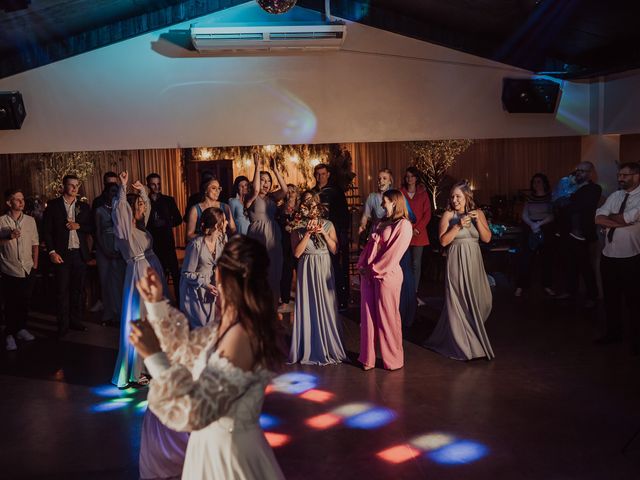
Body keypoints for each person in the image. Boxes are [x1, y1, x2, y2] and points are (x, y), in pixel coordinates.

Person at [129, 236, 286, 479]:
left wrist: (154, 357)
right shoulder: (224, 326)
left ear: (220, 275)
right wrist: (156, 305)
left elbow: (197, 412)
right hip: (206, 450)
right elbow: (185, 352)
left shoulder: (242, 335)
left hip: (229, 458)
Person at [111, 171, 170, 388]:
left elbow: (148, 207)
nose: (143, 209)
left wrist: (142, 191)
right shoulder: (125, 232)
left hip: (151, 271)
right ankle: (134, 372)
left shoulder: (141, 229)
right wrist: (123, 187)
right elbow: (119, 210)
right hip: (137, 274)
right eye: (140, 206)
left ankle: (148, 365)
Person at [424, 180, 494, 361]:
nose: (454, 200)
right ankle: (463, 346)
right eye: (452, 196)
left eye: (458, 196)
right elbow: (443, 241)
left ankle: (472, 334)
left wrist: (478, 221)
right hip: (456, 260)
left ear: (467, 197)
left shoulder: (477, 213)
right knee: (459, 302)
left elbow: (486, 238)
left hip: (474, 262)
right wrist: (458, 226)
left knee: (483, 301)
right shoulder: (448, 215)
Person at [357, 189, 413, 370]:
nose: (381, 206)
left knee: (388, 318)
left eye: (385, 202)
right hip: (370, 275)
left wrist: (373, 269)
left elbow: (393, 254)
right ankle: (368, 359)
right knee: (369, 318)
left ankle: (394, 359)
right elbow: (371, 246)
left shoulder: (404, 225)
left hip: (387, 276)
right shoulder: (383, 222)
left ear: (395, 203)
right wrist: (363, 267)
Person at [289, 190, 346, 365]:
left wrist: (323, 233)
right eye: (306, 204)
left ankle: (328, 346)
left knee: (326, 304)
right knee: (308, 304)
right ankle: (308, 345)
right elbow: (297, 254)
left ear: (318, 206)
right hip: (306, 266)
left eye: (313, 204)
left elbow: (335, 250)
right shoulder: (296, 227)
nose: (310, 207)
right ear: (302, 207)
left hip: (323, 265)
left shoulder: (328, 224)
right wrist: (306, 233)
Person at [594, 162, 640, 354]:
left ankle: (637, 340)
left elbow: (628, 217)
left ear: (637, 175)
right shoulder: (615, 195)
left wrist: (612, 220)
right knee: (611, 297)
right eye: (619, 174)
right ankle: (614, 333)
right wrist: (619, 219)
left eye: (625, 175)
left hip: (632, 256)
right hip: (609, 254)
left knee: (634, 301)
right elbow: (598, 218)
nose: (620, 178)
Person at [42, 174, 93, 336]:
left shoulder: (84, 207)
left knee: (77, 290)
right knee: (62, 291)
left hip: (79, 254)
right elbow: (47, 232)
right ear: (64, 187)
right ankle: (62, 325)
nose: (74, 188)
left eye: (76, 185)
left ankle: (75, 321)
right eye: (71, 185)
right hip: (61, 255)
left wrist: (79, 225)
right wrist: (52, 252)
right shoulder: (53, 205)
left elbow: (91, 227)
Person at [554, 162, 602, 307]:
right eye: (577, 170)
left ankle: (592, 296)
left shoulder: (594, 188)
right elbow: (558, 204)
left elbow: (580, 206)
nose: (578, 173)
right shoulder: (570, 188)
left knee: (584, 264)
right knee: (568, 263)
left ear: (590, 172)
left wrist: (566, 202)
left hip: (581, 233)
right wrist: (565, 201)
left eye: (582, 171)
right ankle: (570, 291)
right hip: (565, 231)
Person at [245, 154, 288, 304]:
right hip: (257, 235)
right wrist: (257, 167)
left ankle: (273, 306)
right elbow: (256, 190)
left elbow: (284, 190)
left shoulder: (272, 198)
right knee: (259, 271)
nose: (266, 183)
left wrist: (275, 170)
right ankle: (257, 306)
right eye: (262, 180)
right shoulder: (251, 196)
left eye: (268, 181)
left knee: (274, 271)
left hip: (273, 235)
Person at [0, 188, 38, 351]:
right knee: (11, 302)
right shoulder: (1, 221)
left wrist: (35, 264)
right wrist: (9, 237)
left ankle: (21, 328)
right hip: (10, 267)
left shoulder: (30, 220)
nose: (21, 202)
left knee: (25, 301)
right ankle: (9, 333)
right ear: (9, 202)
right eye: (17, 199)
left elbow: (35, 242)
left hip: (28, 267)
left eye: (22, 199)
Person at [180, 207, 228, 329]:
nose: (226, 222)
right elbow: (186, 273)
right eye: (224, 221)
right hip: (196, 292)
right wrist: (205, 284)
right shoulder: (196, 245)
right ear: (217, 225)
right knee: (200, 329)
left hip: (213, 290)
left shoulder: (221, 240)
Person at [312, 163, 351, 310]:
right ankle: (322, 299)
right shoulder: (313, 192)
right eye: (317, 174)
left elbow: (343, 214)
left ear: (328, 174)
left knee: (338, 266)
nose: (320, 177)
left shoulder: (336, 191)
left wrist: (341, 234)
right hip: (318, 234)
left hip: (335, 233)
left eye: (322, 174)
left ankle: (342, 300)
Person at [515, 173, 556, 297]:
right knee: (526, 259)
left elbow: (552, 214)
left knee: (547, 259)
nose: (536, 184)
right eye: (534, 182)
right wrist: (532, 225)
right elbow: (524, 214)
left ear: (544, 183)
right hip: (530, 229)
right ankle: (521, 286)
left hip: (545, 228)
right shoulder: (530, 198)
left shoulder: (550, 198)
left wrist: (539, 224)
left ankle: (547, 285)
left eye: (538, 181)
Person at [146, 173, 183, 299]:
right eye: (153, 184)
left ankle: (180, 302)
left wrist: (166, 223)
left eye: (158, 184)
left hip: (168, 243)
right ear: (148, 185)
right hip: (152, 245)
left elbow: (178, 219)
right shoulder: (144, 201)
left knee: (176, 275)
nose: (156, 187)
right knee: (156, 276)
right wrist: (152, 225)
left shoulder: (168, 200)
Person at [94, 183, 126, 326]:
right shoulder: (99, 211)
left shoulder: (120, 209)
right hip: (104, 248)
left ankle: (119, 314)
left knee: (118, 282)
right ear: (105, 192)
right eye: (112, 191)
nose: (114, 193)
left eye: (116, 191)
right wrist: (105, 250)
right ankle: (108, 314)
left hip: (119, 248)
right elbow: (97, 233)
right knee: (105, 281)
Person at [400, 167, 431, 305]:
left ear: (416, 178)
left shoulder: (423, 193)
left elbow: (427, 214)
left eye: (412, 176)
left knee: (416, 264)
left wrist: (417, 228)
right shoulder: (400, 192)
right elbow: (399, 212)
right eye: (407, 176)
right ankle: (404, 292)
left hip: (419, 233)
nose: (409, 179)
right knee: (403, 263)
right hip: (404, 232)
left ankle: (414, 293)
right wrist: (408, 229)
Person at [186, 177, 236, 242]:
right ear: (205, 190)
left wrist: (223, 236)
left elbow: (233, 229)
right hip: (202, 246)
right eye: (214, 188)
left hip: (221, 245)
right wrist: (209, 237)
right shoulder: (195, 209)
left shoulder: (225, 207)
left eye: (219, 188)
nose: (218, 191)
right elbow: (189, 236)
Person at [278, 184, 298, 309]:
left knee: (300, 269)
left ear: (297, 193)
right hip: (285, 242)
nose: (290, 194)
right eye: (288, 191)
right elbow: (277, 223)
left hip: (298, 242)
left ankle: (301, 296)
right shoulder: (280, 208)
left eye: (293, 191)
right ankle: (285, 297)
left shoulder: (301, 209)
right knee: (286, 270)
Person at [358, 168, 393, 236]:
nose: (381, 181)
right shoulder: (372, 197)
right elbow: (365, 216)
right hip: (376, 233)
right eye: (379, 178)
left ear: (390, 182)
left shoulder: (395, 196)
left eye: (384, 178)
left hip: (390, 232)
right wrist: (362, 226)